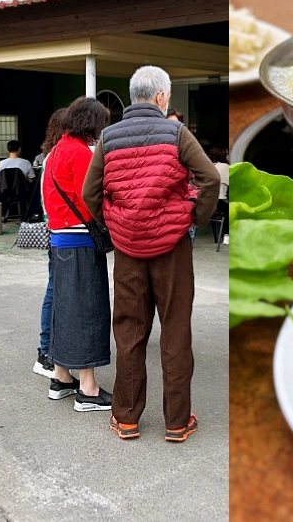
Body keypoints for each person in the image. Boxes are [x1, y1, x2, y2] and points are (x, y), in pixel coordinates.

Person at [83, 65, 219, 442]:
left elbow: (89, 193)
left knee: (129, 330)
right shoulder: (177, 133)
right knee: (175, 330)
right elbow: (209, 178)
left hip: (128, 250)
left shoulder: (108, 137)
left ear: (133, 95)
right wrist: (193, 218)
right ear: (161, 97)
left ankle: (126, 418)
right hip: (172, 248)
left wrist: (115, 221)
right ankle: (177, 422)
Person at [42, 97, 114, 411]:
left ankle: (62, 377)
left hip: (59, 237)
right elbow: (90, 198)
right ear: (92, 124)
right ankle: (88, 388)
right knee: (87, 309)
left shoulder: (56, 150)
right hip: (81, 239)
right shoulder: (81, 153)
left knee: (64, 308)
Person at [33, 108, 66, 382]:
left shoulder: (49, 157)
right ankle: (45, 351)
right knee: (54, 291)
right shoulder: (55, 159)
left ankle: (47, 349)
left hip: (53, 230)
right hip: (57, 231)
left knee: (54, 289)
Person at [209, 147, 230, 219]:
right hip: (219, 200)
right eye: (227, 154)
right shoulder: (224, 167)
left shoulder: (209, 165)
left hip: (208, 200)